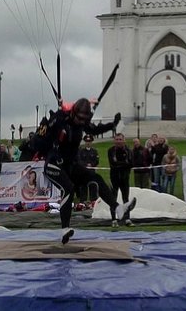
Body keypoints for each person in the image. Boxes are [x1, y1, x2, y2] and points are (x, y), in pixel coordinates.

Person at [40, 98, 136, 243]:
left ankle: (117, 208)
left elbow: (95, 129)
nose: (80, 121)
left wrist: (113, 125)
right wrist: (57, 116)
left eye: (84, 119)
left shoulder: (82, 123)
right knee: (68, 189)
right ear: (73, 113)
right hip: (54, 164)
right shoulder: (61, 119)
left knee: (96, 178)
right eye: (79, 118)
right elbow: (44, 136)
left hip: (70, 165)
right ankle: (65, 229)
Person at [107, 133, 134, 227]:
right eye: (117, 139)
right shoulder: (111, 150)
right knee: (113, 199)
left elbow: (130, 163)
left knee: (126, 199)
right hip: (114, 177)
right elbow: (113, 163)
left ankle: (127, 219)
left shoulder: (128, 151)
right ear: (114, 140)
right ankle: (114, 219)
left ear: (124, 140)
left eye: (120, 139)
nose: (118, 141)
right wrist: (124, 164)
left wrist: (121, 164)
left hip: (125, 177)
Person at [77, 134, 99, 203]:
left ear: (91, 142)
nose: (88, 143)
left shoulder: (94, 151)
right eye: (86, 141)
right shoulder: (81, 151)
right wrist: (85, 165)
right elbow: (79, 160)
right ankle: (83, 202)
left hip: (92, 172)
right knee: (83, 187)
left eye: (89, 141)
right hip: (83, 172)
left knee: (93, 186)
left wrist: (91, 165)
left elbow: (96, 160)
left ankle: (93, 201)